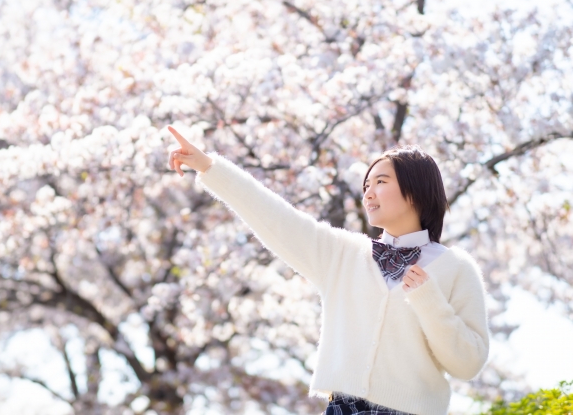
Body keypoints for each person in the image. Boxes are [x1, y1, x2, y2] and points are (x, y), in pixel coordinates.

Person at [167, 125, 489, 415]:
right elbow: (278, 218)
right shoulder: (344, 253)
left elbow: (468, 363)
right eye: (366, 185)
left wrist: (429, 301)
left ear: (416, 189)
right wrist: (209, 166)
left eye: (381, 181)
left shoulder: (456, 268)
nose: (368, 193)